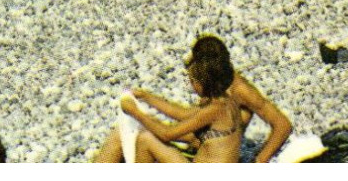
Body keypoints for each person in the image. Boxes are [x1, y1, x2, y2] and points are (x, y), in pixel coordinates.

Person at [95, 44, 243, 162]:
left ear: (203, 83)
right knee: (137, 131)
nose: (191, 85)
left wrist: (136, 112)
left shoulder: (214, 110)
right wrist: (148, 97)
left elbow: (167, 134)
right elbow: (183, 114)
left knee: (146, 139)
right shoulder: (225, 101)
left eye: (192, 81)